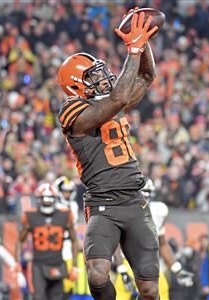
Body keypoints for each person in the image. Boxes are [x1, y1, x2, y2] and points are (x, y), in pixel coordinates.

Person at [57, 8, 159, 300]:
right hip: (103, 204)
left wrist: (143, 39)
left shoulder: (113, 100)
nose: (103, 78)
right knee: (98, 273)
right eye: (93, 76)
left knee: (150, 290)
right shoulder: (71, 111)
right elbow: (117, 100)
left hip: (135, 200)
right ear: (77, 86)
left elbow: (147, 76)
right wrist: (134, 49)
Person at [18, 182, 78, 300]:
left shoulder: (65, 215)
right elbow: (20, 240)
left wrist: (74, 266)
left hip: (58, 263)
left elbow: (74, 240)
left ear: (55, 198)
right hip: (38, 265)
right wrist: (17, 264)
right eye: (44, 198)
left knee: (58, 297)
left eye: (50, 198)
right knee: (39, 297)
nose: (47, 201)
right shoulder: (30, 216)